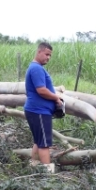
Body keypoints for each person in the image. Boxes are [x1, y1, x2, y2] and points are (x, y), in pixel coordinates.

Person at [24, 42, 63, 171]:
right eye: (46, 54)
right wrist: (56, 98)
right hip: (39, 111)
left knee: (38, 141)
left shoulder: (36, 68)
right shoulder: (36, 69)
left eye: (50, 55)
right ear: (39, 52)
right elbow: (41, 90)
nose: (48, 58)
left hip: (35, 110)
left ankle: (33, 167)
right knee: (44, 144)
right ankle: (47, 175)